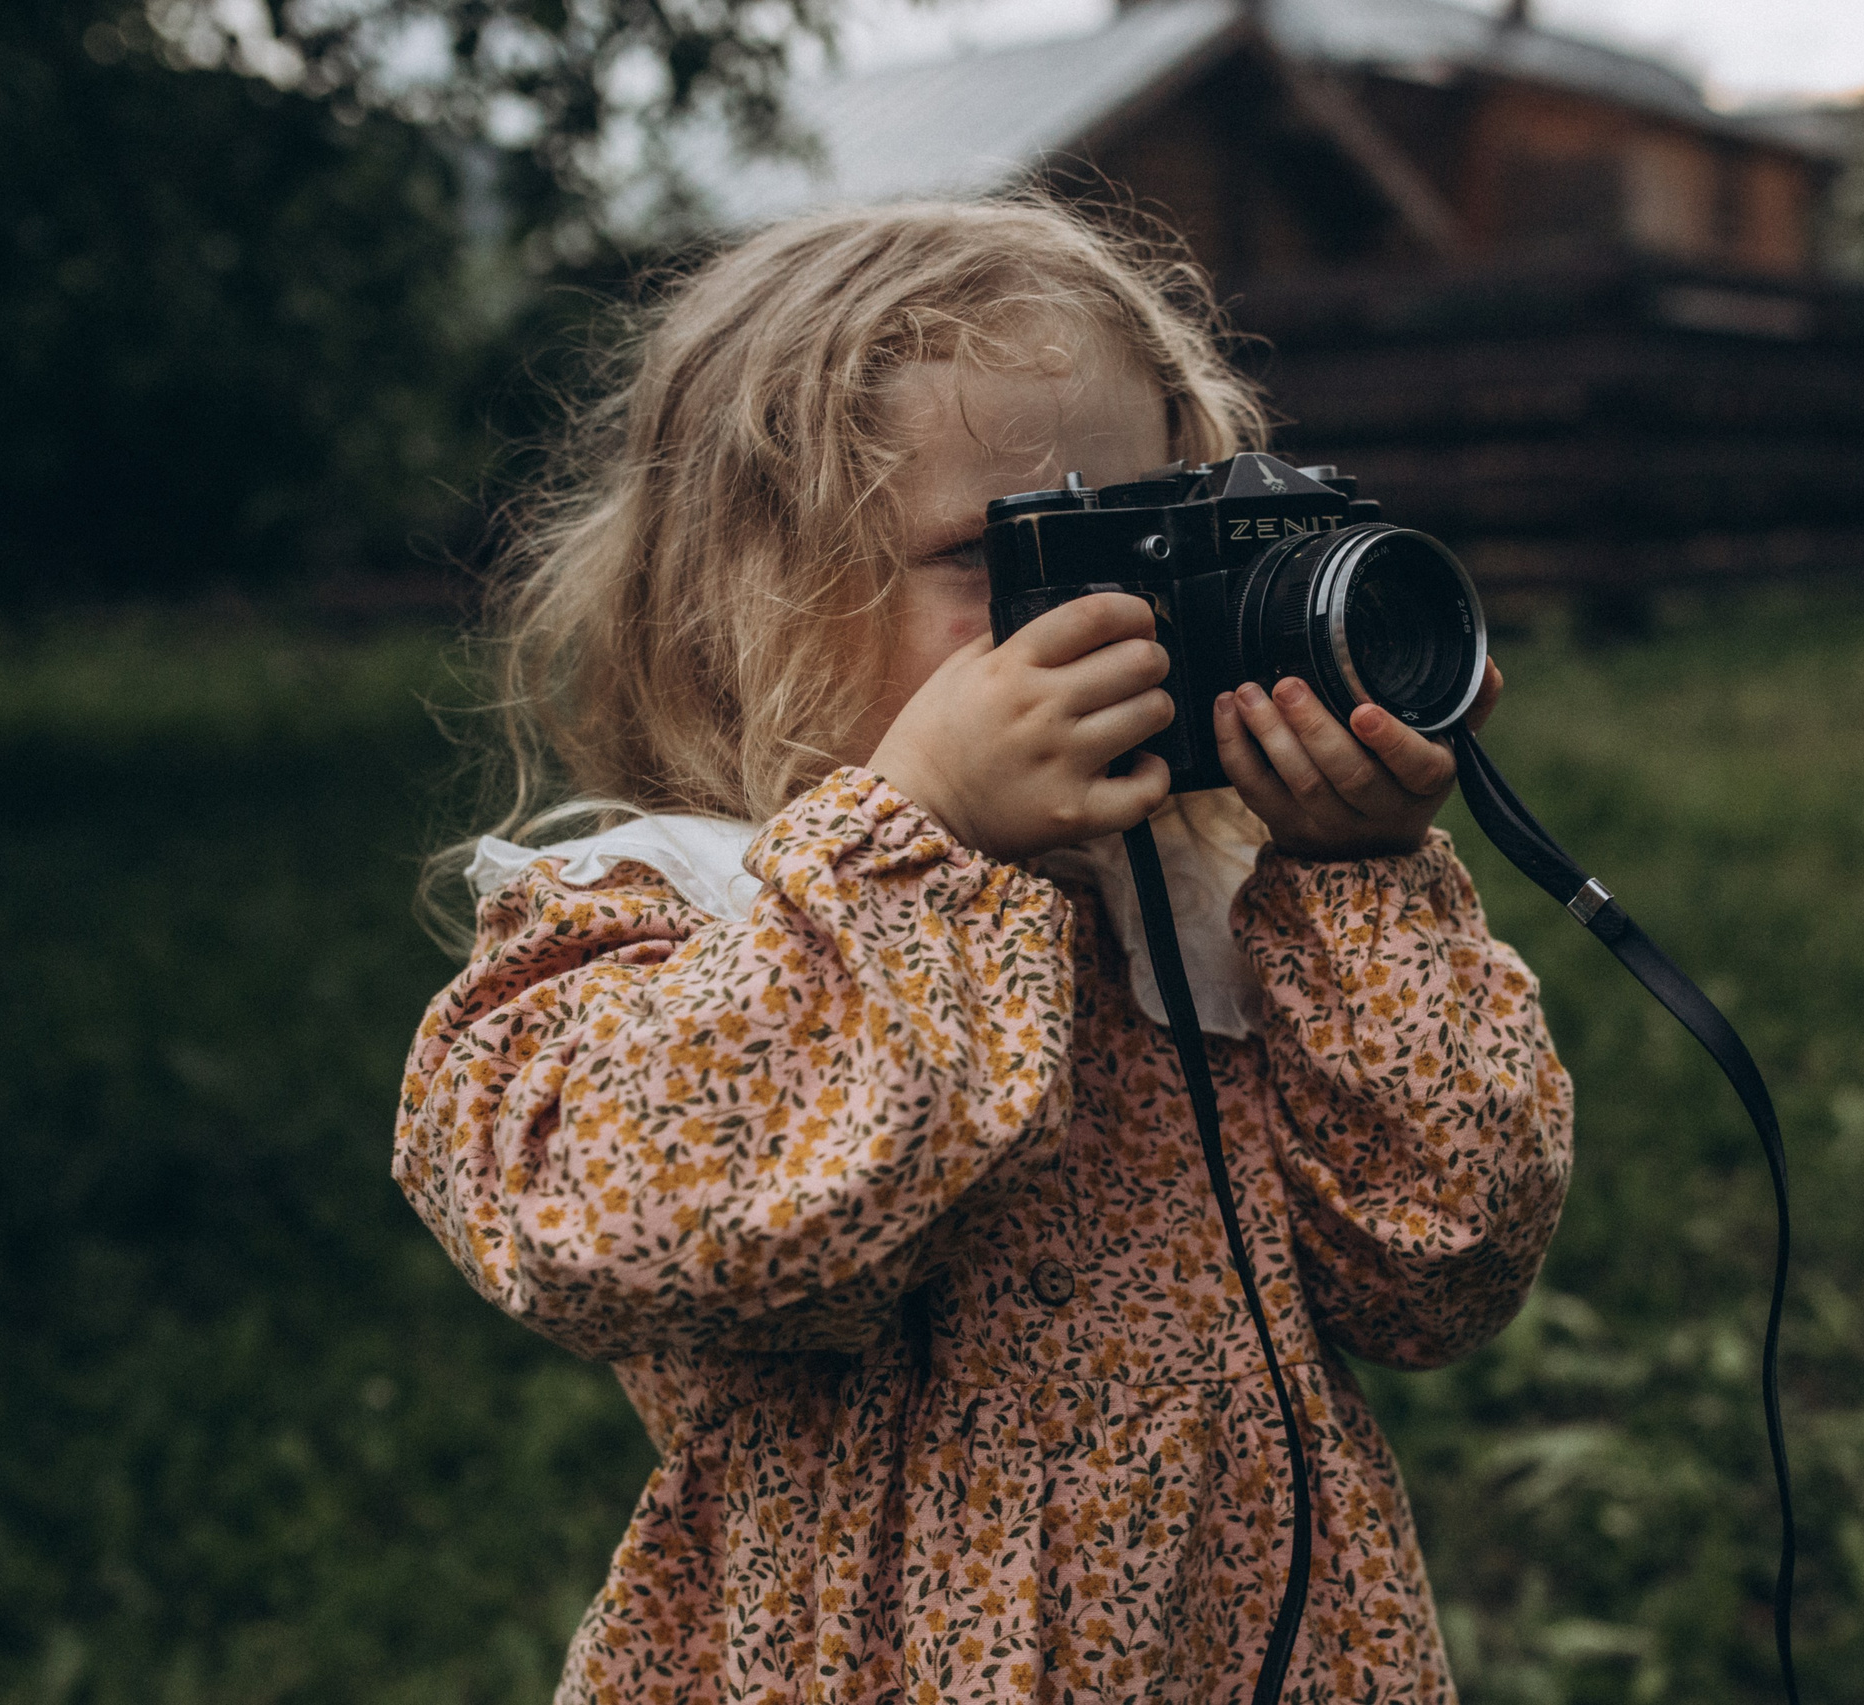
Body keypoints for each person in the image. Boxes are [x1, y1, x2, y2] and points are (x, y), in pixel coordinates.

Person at [396, 198, 1574, 1703]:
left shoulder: (1212, 914)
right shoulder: (675, 912)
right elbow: (636, 1227)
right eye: (1017, 559)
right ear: (749, 596)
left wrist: (1355, 878)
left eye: (1156, 538)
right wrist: (923, 837)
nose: (1109, 622)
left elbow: (1442, 1270)